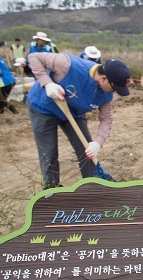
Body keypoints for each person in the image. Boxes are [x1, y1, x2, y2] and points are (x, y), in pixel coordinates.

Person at [26, 52, 131, 189]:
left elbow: (106, 119)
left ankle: (92, 184)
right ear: (104, 79)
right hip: (44, 108)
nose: (114, 92)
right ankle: (51, 188)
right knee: (48, 152)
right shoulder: (67, 64)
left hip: (74, 112)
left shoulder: (106, 95)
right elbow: (34, 57)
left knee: (86, 149)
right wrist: (47, 83)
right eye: (115, 88)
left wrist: (98, 143)